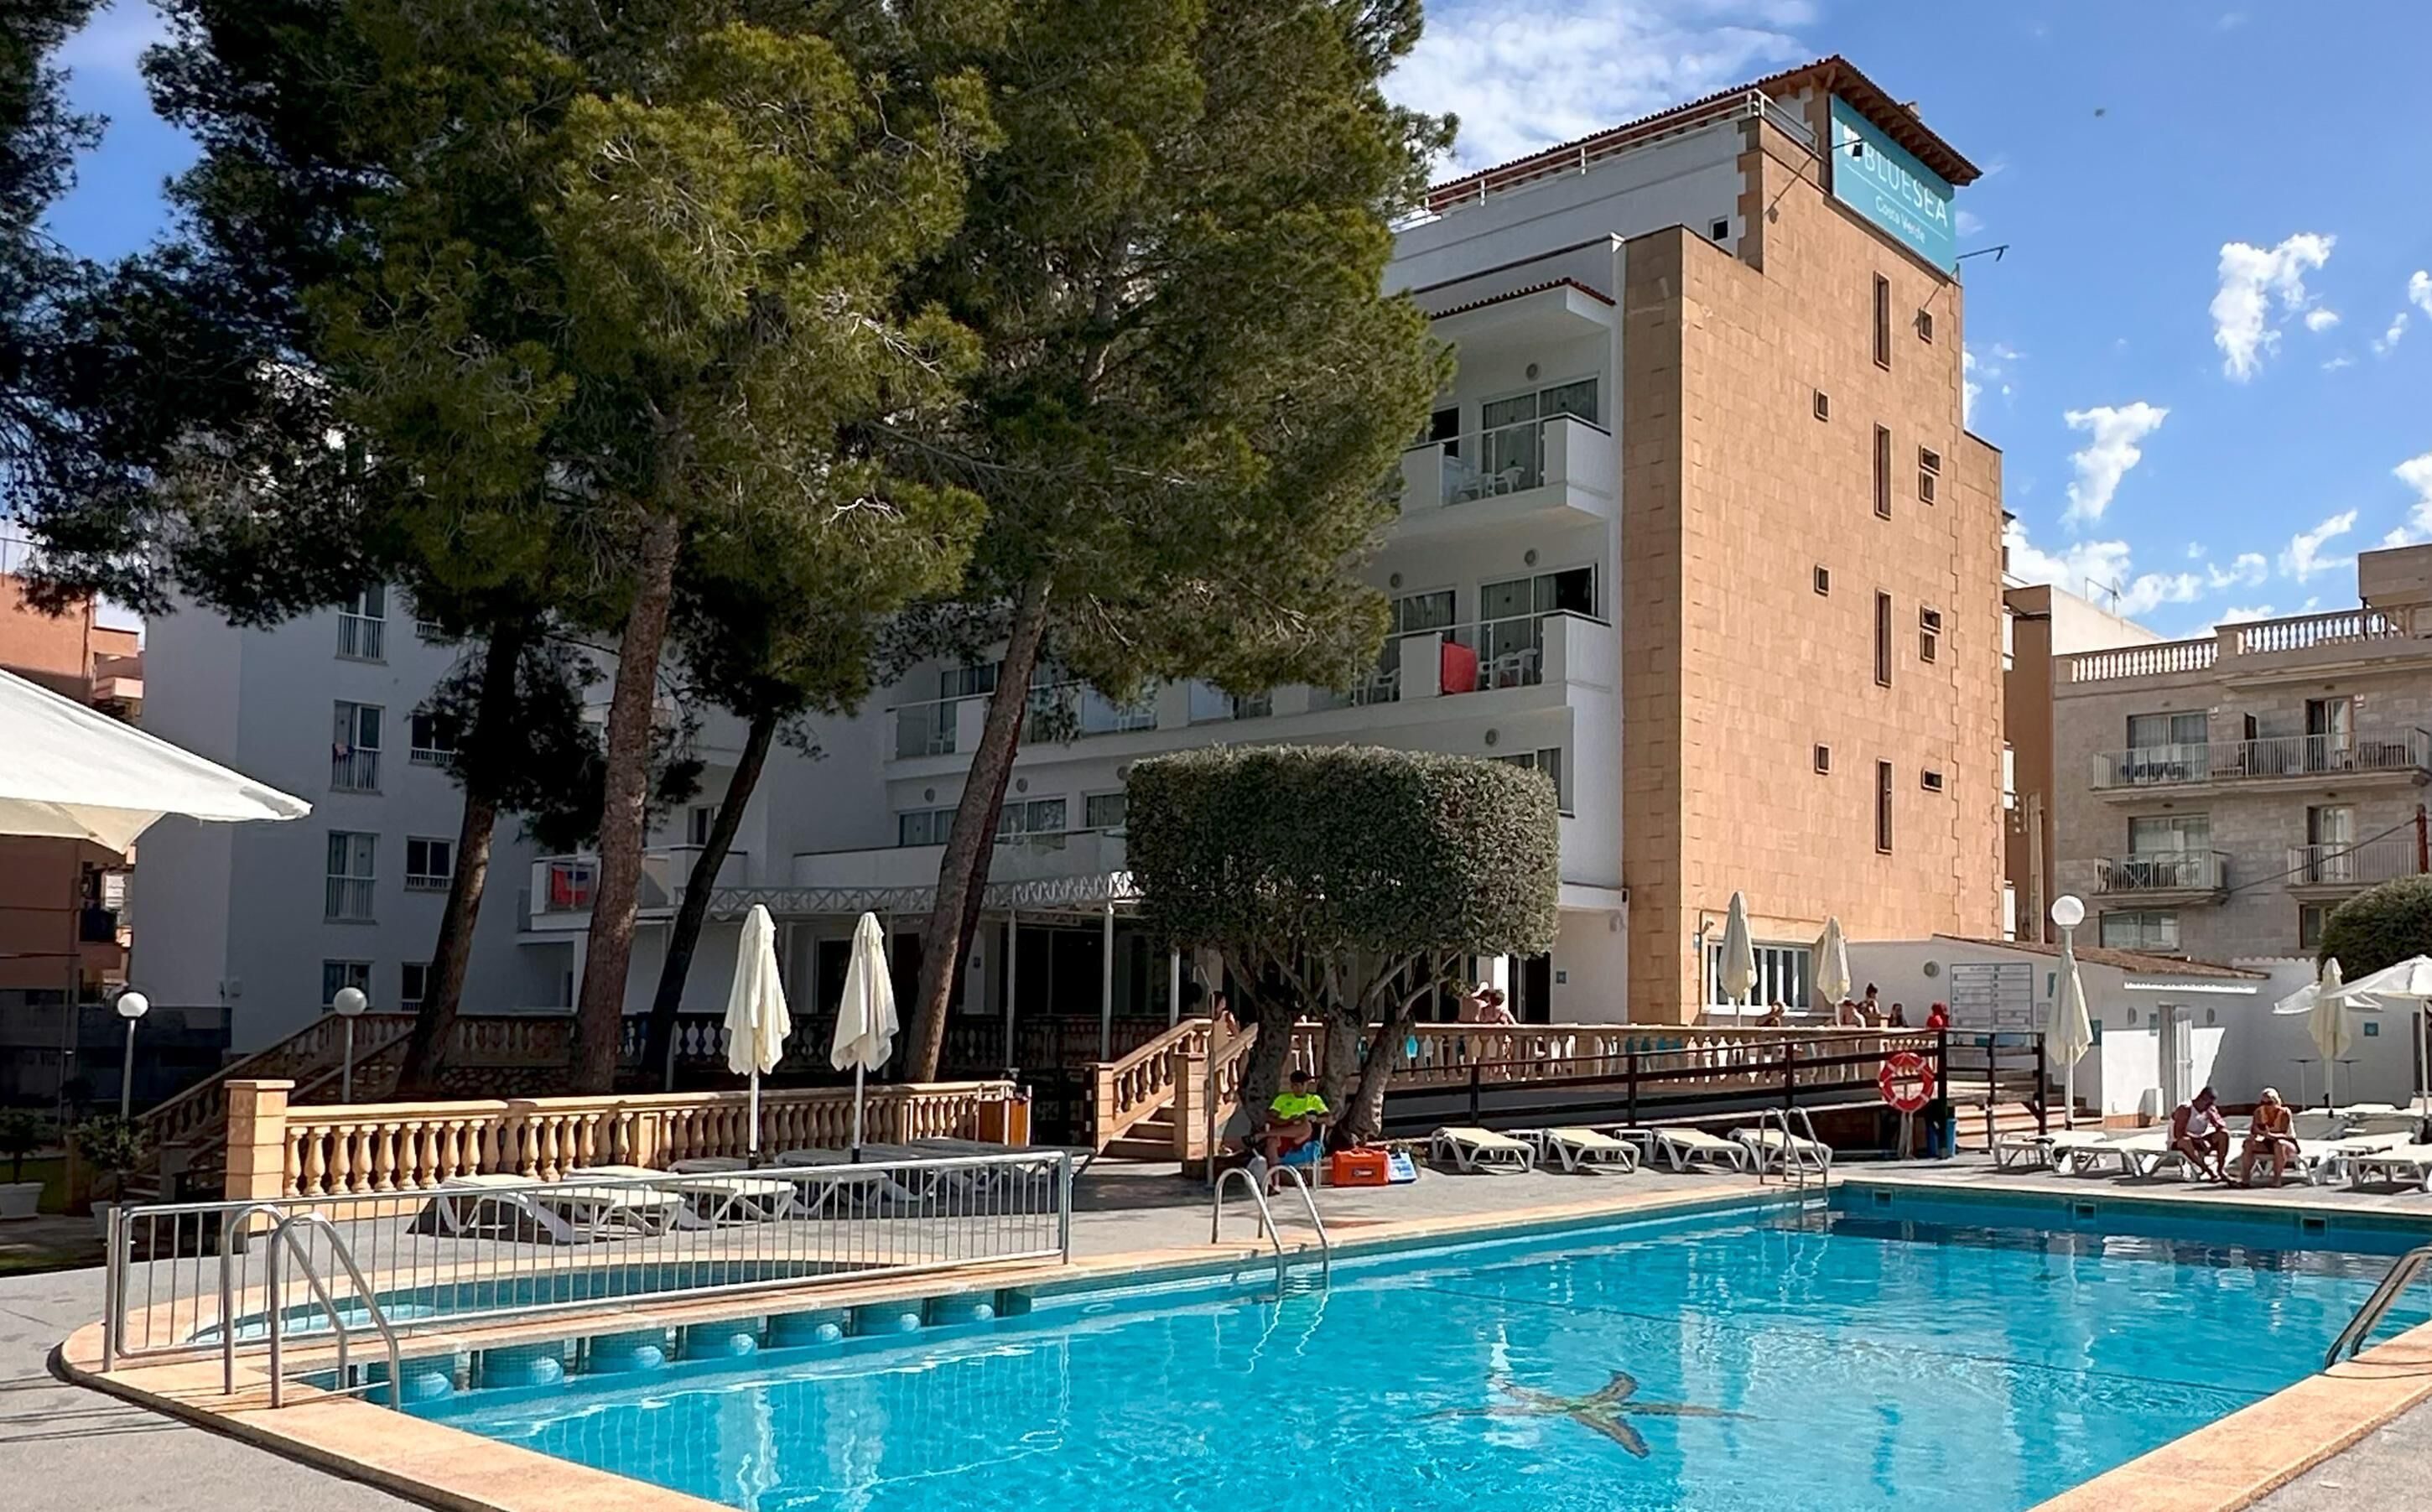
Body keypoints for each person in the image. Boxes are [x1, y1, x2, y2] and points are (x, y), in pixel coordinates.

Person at [1250, 1069, 1329, 1187]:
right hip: (1282, 1134)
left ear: (1306, 1085)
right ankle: (1275, 1184)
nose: (1298, 1088)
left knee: (1304, 1123)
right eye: (1295, 1085)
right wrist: (1287, 1120)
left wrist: (1313, 1118)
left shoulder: (1314, 1100)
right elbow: (1269, 1117)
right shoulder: (1283, 1099)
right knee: (1271, 1142)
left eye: (1301, 1085)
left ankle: (1263, 1134)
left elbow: (1329, 1119)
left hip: (1302, 1136)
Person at [2236, 1087, 2300, 1187]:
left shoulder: (2284, 1113)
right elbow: (2254, 1130)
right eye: (2263, 1103)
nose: (2266, 1106)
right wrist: (2255, 1134)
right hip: (2268, 1142)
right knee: (2248, 1144)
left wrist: (2268, 1134)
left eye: (2269, 1103)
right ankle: (2245, 1179)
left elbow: (2283, 1133)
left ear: (2276, 1101)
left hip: (2287, 1142)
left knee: (2279, 1144)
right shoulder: (2259, 1112)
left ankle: (2277, 1179)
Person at [2170, 1087, 2232, 1183]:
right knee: (2185, 1141)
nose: (2210, 1105)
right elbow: (2178, 1133)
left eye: (2212, 1103)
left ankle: (2220, 1170)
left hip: (2198, 1140)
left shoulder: (2209, 1109)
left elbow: (2221, 1126)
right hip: (2178, 1142)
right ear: (2202, 1098)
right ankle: (2209, 1171)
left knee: (2224, 1134)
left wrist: (2215, 1119)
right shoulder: (2186, 1109)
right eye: (2208, 1103)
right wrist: (2198, 1139)